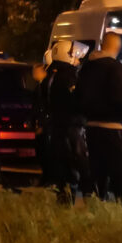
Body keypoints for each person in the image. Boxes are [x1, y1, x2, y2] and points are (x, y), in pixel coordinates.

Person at [76, 33, 122, 201]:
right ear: (117, 48)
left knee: (97, 177)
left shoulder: (86, 68)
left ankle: (96, 208)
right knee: (121, 180)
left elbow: (79, 98)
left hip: (91, 130)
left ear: (102, 44)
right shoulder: (115, 68)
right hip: (113, 130)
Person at [43, 40, 90, 203]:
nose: (78, 59)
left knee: (64, 167)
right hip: (71, 128)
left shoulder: (55, 74)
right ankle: (86, 199)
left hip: (60, 127)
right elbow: (78, 102)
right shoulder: (69, 77)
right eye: (74, 55)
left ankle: (64, 199)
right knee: (78, 165)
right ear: (67, 56)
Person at [31, 59, 52, 186]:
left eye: (36, 71)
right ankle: (45, 177)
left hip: (45, 126)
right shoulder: (39, 86)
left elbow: (45, 108)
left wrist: (42, 125)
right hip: (41, 124)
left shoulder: (45, 87)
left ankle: (47, 179)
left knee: (45, 152)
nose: (33, 74)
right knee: (41, 152)